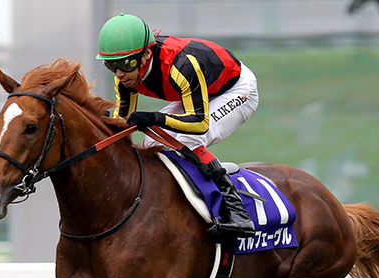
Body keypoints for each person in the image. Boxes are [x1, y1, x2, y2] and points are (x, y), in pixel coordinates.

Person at [96, 13, 258, 239]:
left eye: (126, 64)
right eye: (111, 65)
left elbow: (199, 123)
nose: (119, 73)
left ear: (146, 54)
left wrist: (155, 118)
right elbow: (121, 123)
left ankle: (237, 212)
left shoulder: (181, 66)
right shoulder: (125, 76)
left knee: (187, 138)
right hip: (200, 90)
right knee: (151, 142)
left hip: (236, 89)